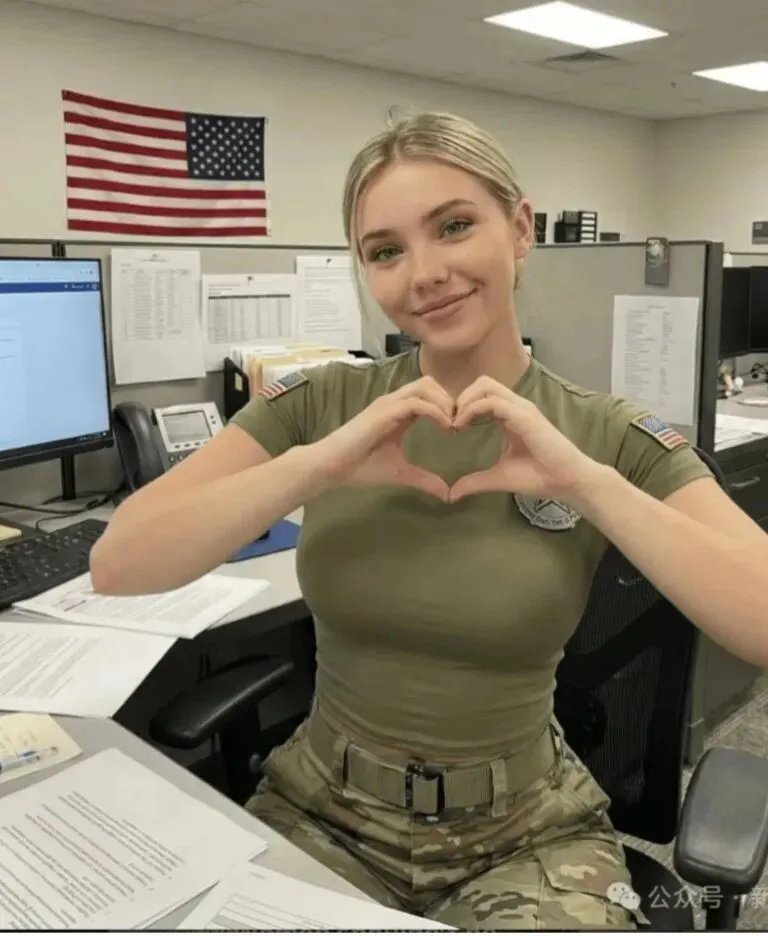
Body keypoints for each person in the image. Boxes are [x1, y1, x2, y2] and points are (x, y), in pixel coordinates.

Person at [90, 112, 768, 931]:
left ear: (520, 229)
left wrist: (585, 484)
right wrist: (316, 465)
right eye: (385, 251)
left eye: (453, 227)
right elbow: (120, 563)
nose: (426, 274)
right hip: (323, 809)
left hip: (527, 831)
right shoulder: (324, 403)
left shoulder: (604, 434)